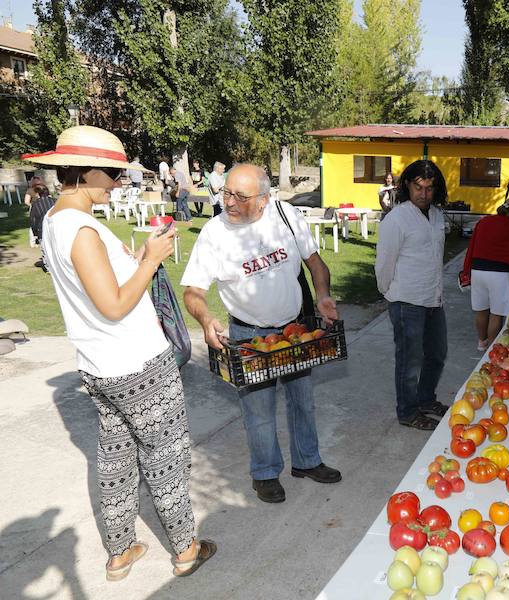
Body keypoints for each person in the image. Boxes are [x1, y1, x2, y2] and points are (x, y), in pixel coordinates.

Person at [22, 125, 216, 580]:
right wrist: (149, 261)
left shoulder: (54, 220)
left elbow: (93, 288)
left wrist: (130, 262)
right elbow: (112, 306)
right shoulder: (81, 229)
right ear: (85, 171)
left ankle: (120, 551)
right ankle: (186, 548)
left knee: (116, 457)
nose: (117, 181)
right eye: (110, 172)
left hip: (99, 366)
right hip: (136, 364)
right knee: (165, 458)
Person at [181, 163, 341, 504]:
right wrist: (206, 318)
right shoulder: (214, 233)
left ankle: (307, 461)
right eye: (226, 192)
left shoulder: (285, 214)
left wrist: (324, 295)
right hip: (249, 334)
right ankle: (266, 473)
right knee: (259, 411)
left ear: (265, 199)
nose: (230, 202)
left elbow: (315, 263)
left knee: (303, 400)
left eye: (241, 195)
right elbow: (193, 291)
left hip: (295, 327)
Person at [375, 160, 450, 431]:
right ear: (407, 185)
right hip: (407, 301)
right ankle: (407, 411)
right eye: (418, 187)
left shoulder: (438, 216)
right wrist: (389, 293)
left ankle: (426, 400)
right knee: (409, 360)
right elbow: (384, 262)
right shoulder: (397, 218)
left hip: (433, 300)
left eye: (429, 188)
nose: (423, 193)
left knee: (437, 354)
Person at [461, 197, 509, 351]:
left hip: (478, 270)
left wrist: (466, 270)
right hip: (500, 273)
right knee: (496, 314)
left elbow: (471, 247)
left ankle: (481, 342)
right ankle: (491, 350)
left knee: (481, 310)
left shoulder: (484, 221)